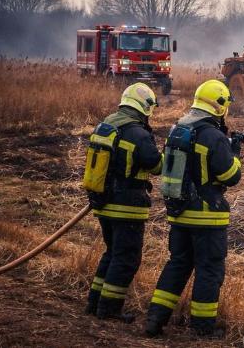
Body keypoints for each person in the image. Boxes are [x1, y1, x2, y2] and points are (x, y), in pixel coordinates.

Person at [145, 79, 242, 338]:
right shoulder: (214, 136)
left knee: (178, 264)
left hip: (179, 213)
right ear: (220, 105)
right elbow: (230, 176)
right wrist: (236, 155)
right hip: (207, 217)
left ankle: (155, 318)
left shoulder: (179, 128)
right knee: (209, 270)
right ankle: (202, 328)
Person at [86, 83, 162, 322]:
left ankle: (95, 303)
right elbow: (156, 165)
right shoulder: (138, 133)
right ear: (144, 107)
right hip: (127, 206)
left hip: (103, 202)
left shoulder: (107, 124)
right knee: (127, 258)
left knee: (112, 252)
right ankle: (109, 310)